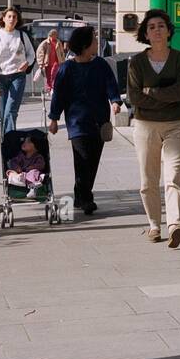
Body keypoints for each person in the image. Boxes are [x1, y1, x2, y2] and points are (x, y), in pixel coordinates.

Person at [127, 8, 180, 247]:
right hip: (145, 126)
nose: (156, 30)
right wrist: (164, 95)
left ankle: (175, 225)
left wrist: (151, 91)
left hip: (176, 124)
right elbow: (134, 97)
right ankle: (154, 225)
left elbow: (179, 92)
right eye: (151, 27)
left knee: (173, 178)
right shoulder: (137, 62)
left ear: (168, 31)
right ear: (145, 32)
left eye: (161, 26)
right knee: (148, 180)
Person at [48, 24, 120, 216]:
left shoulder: (100, 65)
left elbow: (111, 84)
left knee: (93, 160)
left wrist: (115, 101)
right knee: (82, 159)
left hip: (99, 121)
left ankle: (80, 194)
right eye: (94, 40)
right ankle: (86, 198)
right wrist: (54, 118)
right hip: (77, 122)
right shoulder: (67, 68)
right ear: (86, 45)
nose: (97, 43)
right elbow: (59, 96)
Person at [0, 5, 35, 134]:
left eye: (14, 17)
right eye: (9, 16)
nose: (12, 19)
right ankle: (4, 134)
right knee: (0, 112)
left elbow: (31, 53)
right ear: (4, 18)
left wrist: (27, 63)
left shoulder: (22, 35)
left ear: (17, 20)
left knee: (11, 110)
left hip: (17, 76)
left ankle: (9, 139)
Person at [6, 135, 47, 200]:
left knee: (33, 172)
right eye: (24, 141)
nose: (24, 143)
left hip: (32, 176)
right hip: (21, 175)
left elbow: (41, 165)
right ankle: (20, 178)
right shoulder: (21, 156)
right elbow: (14, 161)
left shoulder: (38, 157)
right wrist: (17, 167)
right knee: (10, 173)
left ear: (34, 146)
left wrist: (32, 167)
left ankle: (33, 188)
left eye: (27, 142)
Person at [34, 28, 64, 96]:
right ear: (50, 35)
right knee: (48, 76)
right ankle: (48, 89)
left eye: (56, 34)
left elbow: (62, 52)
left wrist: (63, 61)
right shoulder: (45, 43)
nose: (55, 36)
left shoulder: (58, 42)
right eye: (54, 34)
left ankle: (53, 88)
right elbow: (40, 53)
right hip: (47, 62)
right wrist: (40, 63)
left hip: (57, 62)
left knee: (54, 74)